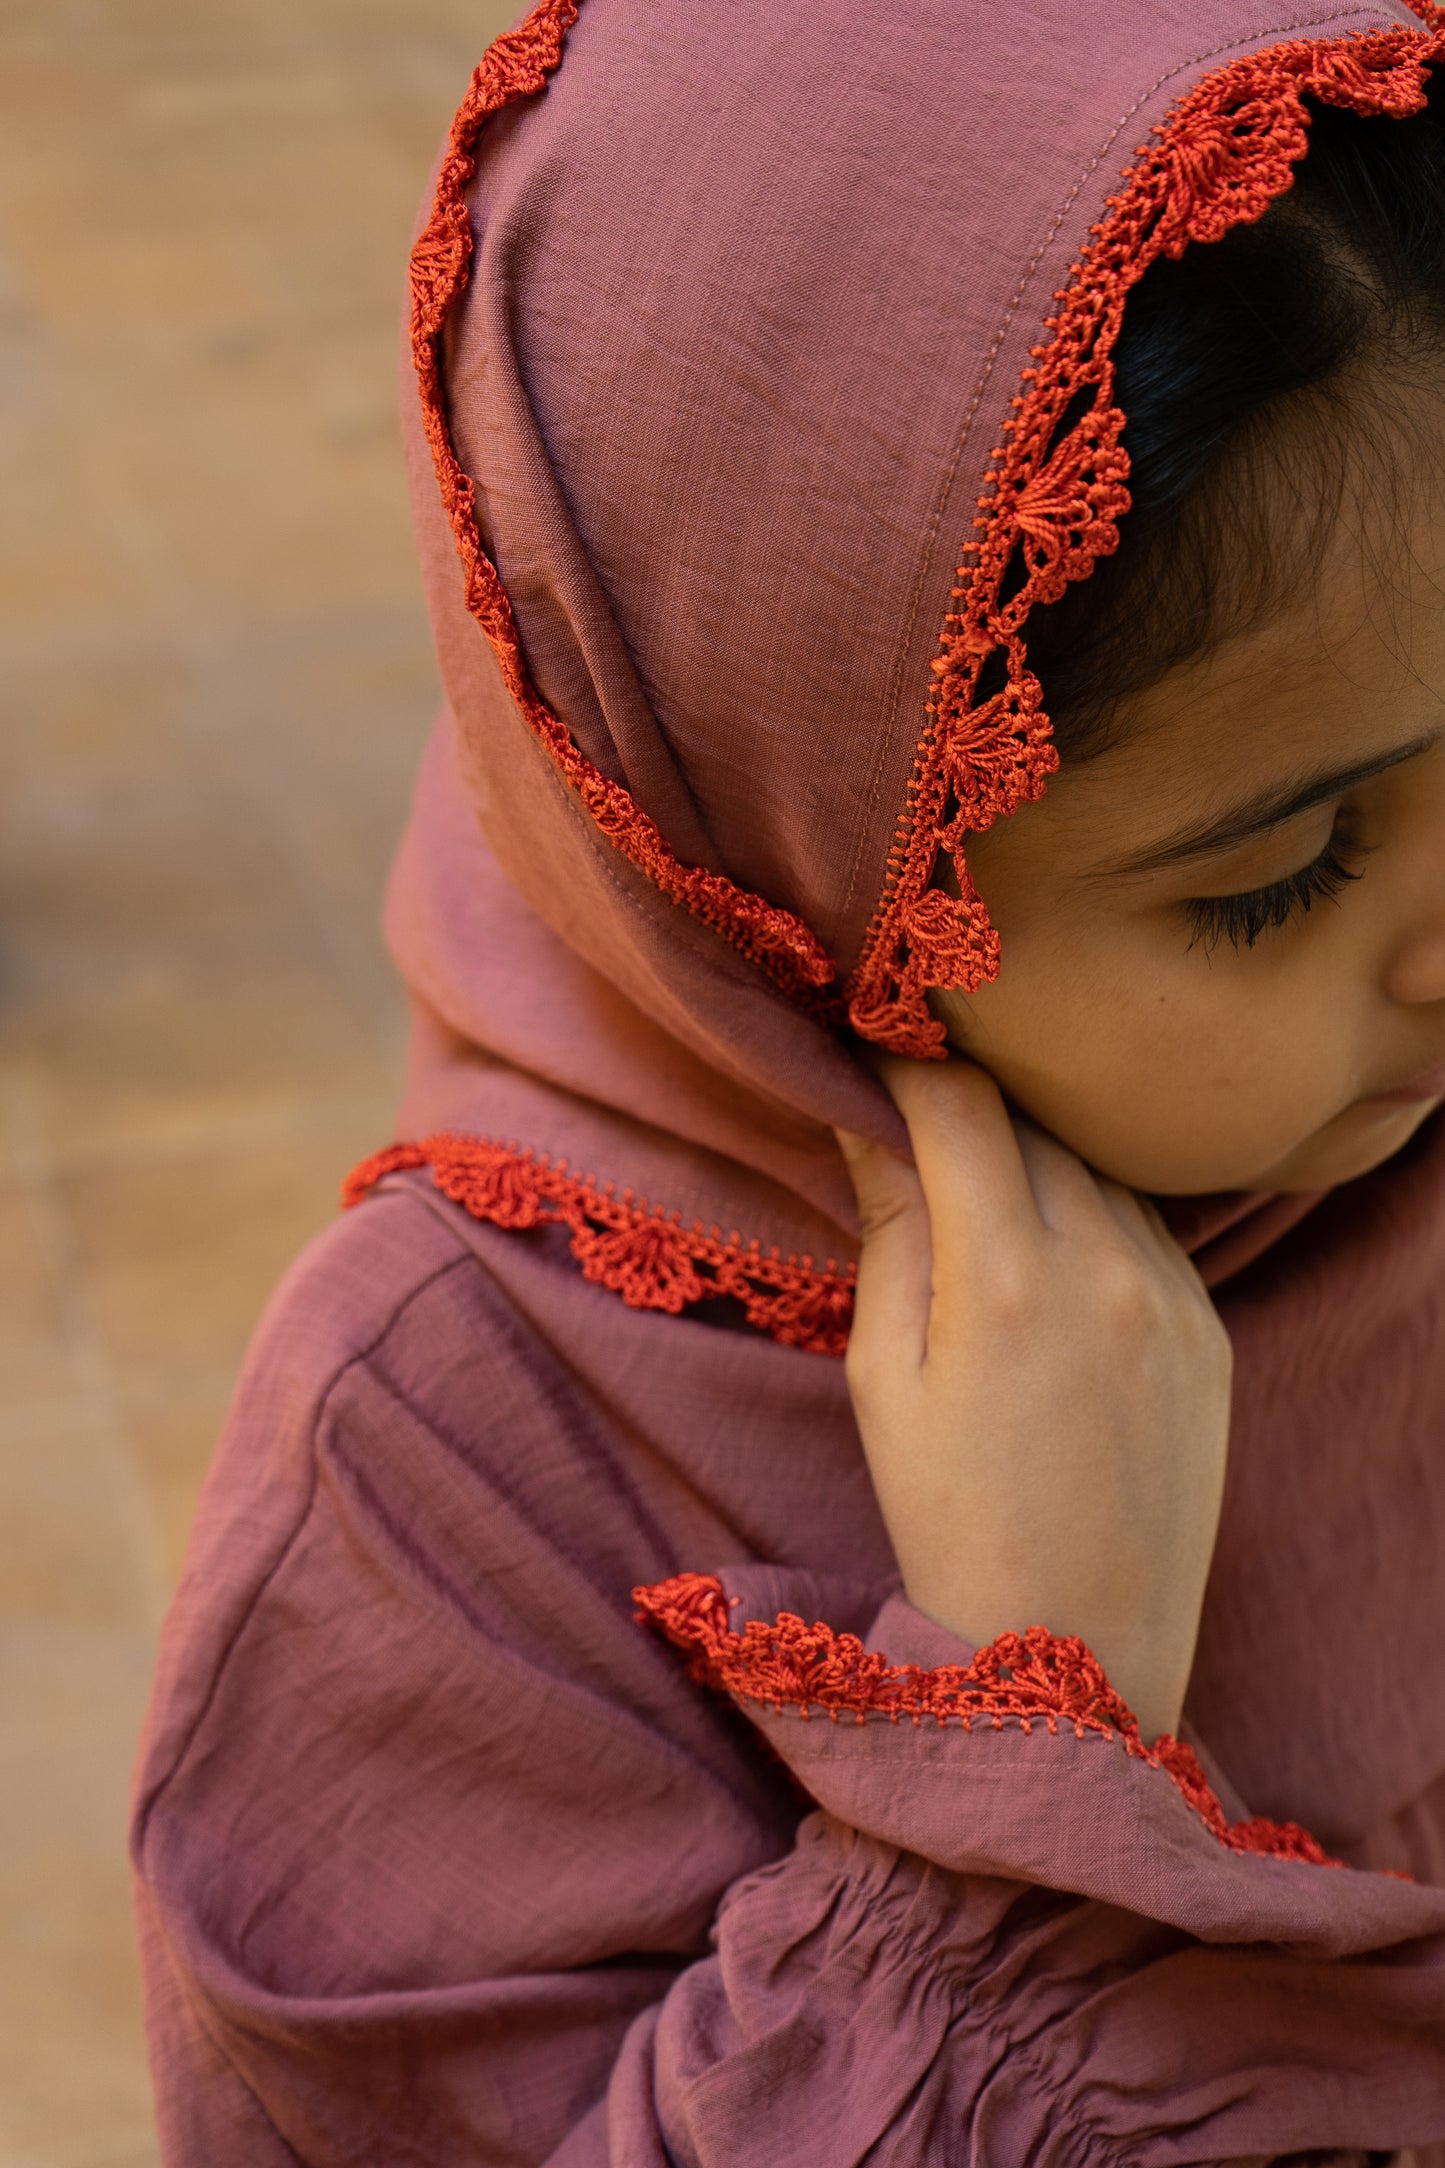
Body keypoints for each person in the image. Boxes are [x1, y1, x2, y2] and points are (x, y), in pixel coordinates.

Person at [131, 0, 1445, 2157]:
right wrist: (1024, 1749)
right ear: (795, 869)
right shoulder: (447, 1480)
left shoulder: (1371, 1128)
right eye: (1283, 870)